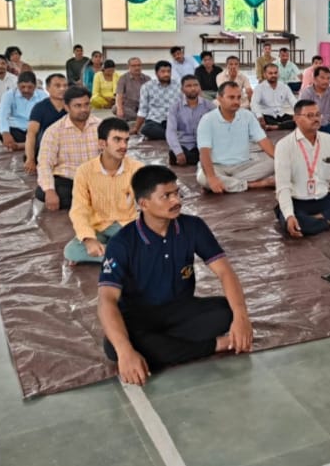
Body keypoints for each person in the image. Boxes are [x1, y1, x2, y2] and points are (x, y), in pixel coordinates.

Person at [97, 165, 253, 386]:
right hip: (139, 318)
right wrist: (125, 351)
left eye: (177, 193)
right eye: (166, 196)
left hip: (181, 311)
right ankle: (215, 345)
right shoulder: (122, 243)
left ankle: (161, 348)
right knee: (115, 347)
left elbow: (225, 272)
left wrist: (241, 318)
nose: (176, 200)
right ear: (144, 204)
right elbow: (106, 299)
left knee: (226, 311)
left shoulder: (193, 226)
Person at [274, 100, 330, 237]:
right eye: (310, 115)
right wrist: (289, 215)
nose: (315, 119)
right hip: (297, 202)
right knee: (294, 223)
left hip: (324, 200)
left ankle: (320, 218)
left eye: (318, 115)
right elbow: (283, 186)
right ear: (296, 118)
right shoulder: (284, 146)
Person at [65, 118, 143, 264]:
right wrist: (88, 239)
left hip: (126, 225)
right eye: (117, 140)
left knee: (146, 241)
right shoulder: (84, 171)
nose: (123, 146)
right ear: (102, 143)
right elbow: (79, 210)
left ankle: (114, 255)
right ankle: (127, 256)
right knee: (71, 251)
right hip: (98, 227)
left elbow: (149, 203)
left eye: (126, 140)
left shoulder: (136, 169)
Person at [196, 82, 276, 193]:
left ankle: (228, 183)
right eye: (231, 97)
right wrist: (211, 177)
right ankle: (255, 184)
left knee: (275, 162)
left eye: (239, 98)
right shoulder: (207, 120)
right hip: (217, 166)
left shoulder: (247, 116)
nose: (236, 102)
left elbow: (264, 142)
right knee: (203, 178)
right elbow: (204, 152)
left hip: (244, 165)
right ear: (219, 98)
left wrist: (283, 161)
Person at [37, 86, 101, 210]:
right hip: (69, 181)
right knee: (43, 192)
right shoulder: (54, 131)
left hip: (97, 180)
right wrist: (50, 191)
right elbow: (44, 164)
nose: (83, 109)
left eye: (86, 105)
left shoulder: (101, 126)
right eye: (77, 106)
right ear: (66, 107)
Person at [166, 75, 216, 166]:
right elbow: (170, 131)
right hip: (183, 145)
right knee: (173, 155)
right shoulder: (175, 107)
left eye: (196, 85)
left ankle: (198, 159)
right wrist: (178, 152)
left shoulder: (209, 106)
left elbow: (218, 127)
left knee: (212, 153)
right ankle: (199, 159)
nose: (193, 88)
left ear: (199, 88)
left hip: (202, 145)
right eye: (188, 86)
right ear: (182, 89)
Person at [25, 73, 69, 174]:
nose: (62, 89)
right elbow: (31, 134)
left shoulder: (72, 106)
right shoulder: (40, 108)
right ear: (48, 88)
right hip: (46, 150)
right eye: (58, 86)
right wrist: (30, 159)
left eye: (65, 86)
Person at [0, 71, 47, 150]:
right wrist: (5, 133)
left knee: (47, 134)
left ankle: (21, 146)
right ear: (17, 85)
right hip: (16, 129)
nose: (26, 90)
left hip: (35, 129)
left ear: (35, 86)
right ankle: (31, 145)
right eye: (22, 87)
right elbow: (2, 116)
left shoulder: (42, 95)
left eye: (30, 87)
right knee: (1, 132)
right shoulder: (9, 95)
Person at [132, 61, 180, 141]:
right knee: (146, 129)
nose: (166, 74)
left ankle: (169, 135)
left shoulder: (178, 86)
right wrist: (136, 128)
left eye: (168, 71)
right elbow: (143, 110)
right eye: (163, 72)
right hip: (155, 121)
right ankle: (174, 136)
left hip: (174, 120)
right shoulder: (147, 87)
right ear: (156, 73)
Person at [250, 63, 297, 131]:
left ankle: (275, 127)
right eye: (270, 73)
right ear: (265, 75)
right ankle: (280, 125)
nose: (273, 75)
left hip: (281, 115)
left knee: (299, 120)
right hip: (266, 116)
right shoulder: (259, 88)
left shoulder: (284, 87)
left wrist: (298, 113)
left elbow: (293, 101)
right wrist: (259, 117)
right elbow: (254, 103)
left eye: (275, 73)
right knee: (261, 121)